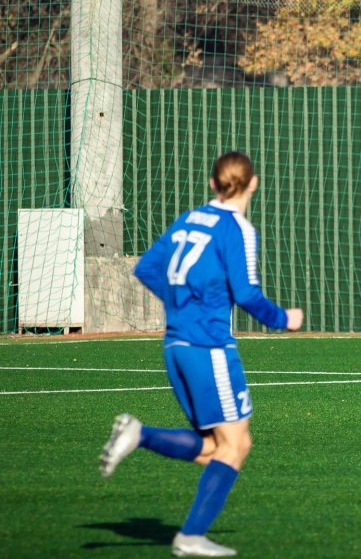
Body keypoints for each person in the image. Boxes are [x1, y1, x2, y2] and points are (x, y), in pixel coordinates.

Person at [99, 151, 304, 557]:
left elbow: (146, 268)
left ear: (212, 183)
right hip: (209, 347)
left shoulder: (189, 219)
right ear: (253, 183)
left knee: (215, 447)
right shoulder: (238, 228)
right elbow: (246, 293)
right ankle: (189, 533)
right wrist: (284, 319)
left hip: (176, 345)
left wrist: (182, 307)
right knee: (235, 446)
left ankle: (141, 437)